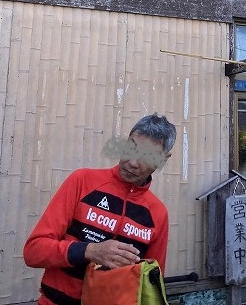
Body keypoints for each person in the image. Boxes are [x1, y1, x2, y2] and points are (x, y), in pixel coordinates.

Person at [24, 114, 176, 305]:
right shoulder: (82, 181)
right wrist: (89, 251)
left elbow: (151, 284)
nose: (132, 162)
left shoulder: (158, 214)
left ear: (163, 160)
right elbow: (34, 251)